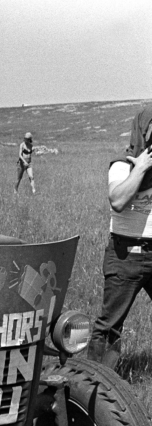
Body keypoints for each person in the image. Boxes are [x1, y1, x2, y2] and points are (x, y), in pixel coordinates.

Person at [86, 106, 152, 370]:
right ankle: (96, 381)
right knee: (110, 324)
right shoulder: (121, 166)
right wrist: (142, 168)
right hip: (126, 255)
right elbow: (118, 200)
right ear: (144, 130)